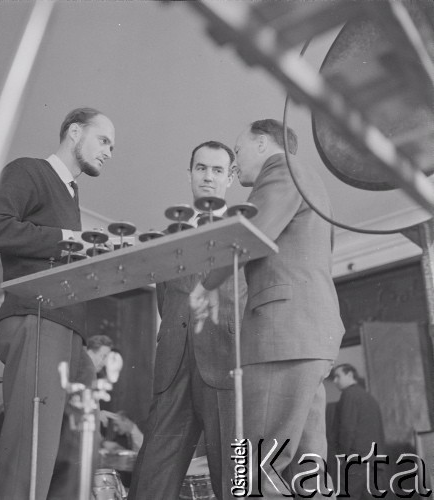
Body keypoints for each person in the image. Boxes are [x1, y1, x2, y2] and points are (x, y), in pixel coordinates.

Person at [190, 120, 345, 498]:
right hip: (310, 338)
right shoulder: (311, 181)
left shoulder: (282, 171)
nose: (233, 165)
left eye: (237, 152)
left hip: (281, 336)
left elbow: (252, 232)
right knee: (310, 472)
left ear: (261, 143)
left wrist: (207, 284)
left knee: (258, 470)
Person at [0, 107, 115, 500]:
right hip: (38, 319)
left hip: (71, 332)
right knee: (29, 452)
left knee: (75, 454)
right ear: (74, 132)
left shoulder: (72, 194)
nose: (109, 151)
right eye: (103, 140)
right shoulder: (29, 171)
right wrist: (71, 240)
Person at [128, 141, 247, 500]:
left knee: (234, 480)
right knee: (151, 479)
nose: (207, 177)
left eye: (216, 170)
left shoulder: (246, 229)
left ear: (230, 177)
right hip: (173, 365)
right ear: (190, 173)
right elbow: (168, 302)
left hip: (226, 365)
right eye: (200, 168)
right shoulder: (166, 238)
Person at [331, 363, 386, 499]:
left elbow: (346, 428)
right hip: (374, 461)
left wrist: (342, 455)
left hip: (356, 460)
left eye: (338, 376)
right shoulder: (369, 398)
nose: (334, 381)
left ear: (350, 375)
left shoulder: (349, 395)